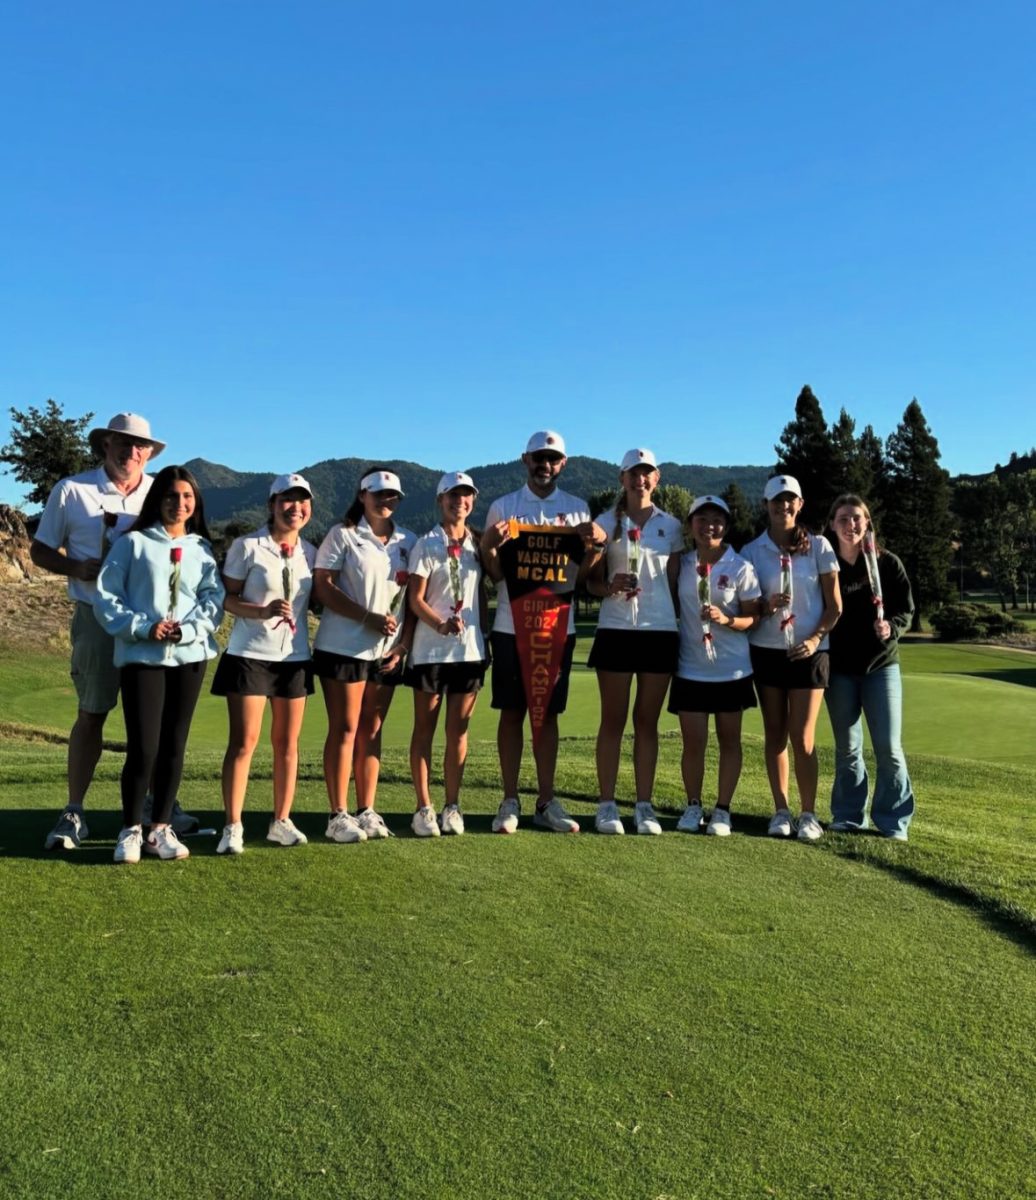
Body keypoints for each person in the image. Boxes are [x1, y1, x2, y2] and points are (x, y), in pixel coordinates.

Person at [29, 413, 198, 849]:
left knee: (156, 723)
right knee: (92, 712)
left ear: (150, 452)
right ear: (105, 445)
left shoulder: (159, 490)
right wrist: (73, 566)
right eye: (122, 443)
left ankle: (157, 806)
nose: (131, 451)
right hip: (97, 618)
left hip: (157, 627)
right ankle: (74, 810)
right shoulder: (72, 490)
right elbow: (39, 550)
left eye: (140, 445)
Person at [94, 466, 224, 863]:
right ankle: (131, 828)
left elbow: (212, 599)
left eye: (187, 497)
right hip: (142, 656)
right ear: (158, 500)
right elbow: (107, 597)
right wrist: (144, 628)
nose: (179, 503)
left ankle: (160, 828)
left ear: (195, 503)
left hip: (189, 658)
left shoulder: (202, 548)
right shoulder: (131, 544)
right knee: (144, 746)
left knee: (173, 745)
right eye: (171, 496)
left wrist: (187, 631)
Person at [480, 430, 606, 834]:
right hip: (510, 626)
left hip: (558, 628)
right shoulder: (503, 507)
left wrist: (596, 548)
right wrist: (489, 546)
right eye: (539, 457)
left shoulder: (576, 509)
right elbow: (495, 574)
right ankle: (510, 799)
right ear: (525, 459)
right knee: (512, 712)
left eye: (553, 458)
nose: (545, 465)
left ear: (563, 463)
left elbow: (582, 580)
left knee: (548, 714)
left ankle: (546, 800)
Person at [211, 474, 317, 855]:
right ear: (272, 505)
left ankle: (281, 820)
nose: (295, 507)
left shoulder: (312, 553)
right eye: (286, 500)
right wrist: (261, 610)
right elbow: (227, 598)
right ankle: (233, 825)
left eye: (302, 501)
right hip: (250, 655)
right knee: (244, 743)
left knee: (287, 745)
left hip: (295, 658)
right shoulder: (248, 546)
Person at [312, 467, 417, 843]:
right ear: (362, 496)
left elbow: (412, 603)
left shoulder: (409, 540)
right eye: (379, 495)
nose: (386, 501)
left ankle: (366, 808)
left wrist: (402, 645)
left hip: (387, 651)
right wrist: (367, 617)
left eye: (393, 496)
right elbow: (324, 588)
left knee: (372, 730)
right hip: (343, 646)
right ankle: (337, 813)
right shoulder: (342, 535)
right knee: (345, 727)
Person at [585, 449, 682, 835]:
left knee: (647, 722)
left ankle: (644, 806)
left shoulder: (672, 526)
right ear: (622, 479)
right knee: (613, 720)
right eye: (633, 474)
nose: (639, 480)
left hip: (659, 632)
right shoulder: (604, 523)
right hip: (616, 629)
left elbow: (674, 583)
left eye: (647, 474)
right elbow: (589, 582)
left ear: (656, 478)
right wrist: (609, 587)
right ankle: (606, 804)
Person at [743, 475, 841, 841]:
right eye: (776, 501)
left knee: (802, 738)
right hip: (767, 651)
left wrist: (816, 639)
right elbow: (748, 608)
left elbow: (835, 607)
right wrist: (766, 607)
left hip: (810, 653)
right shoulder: (752, 553)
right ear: (766, 505)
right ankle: (781, 811)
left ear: (800, 505)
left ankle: (809, 814)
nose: (783, 506)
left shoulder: (819, 546)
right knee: (775, 735)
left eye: (790, 500)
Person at [666, 495, 762, 835]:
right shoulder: (681, 563)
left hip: (732, 669)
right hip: (691, 668)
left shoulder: (740, 567)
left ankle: (722, 809)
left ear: (726, 525)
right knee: (693, 743)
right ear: (690, 525)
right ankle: (693, 806)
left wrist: (727, 619)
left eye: (717, 520)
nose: (710, 526)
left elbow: (754, 618)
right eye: (702, 519)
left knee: (729, 741)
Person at [824, 494, 915, 841]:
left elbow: (906, 610)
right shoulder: (825, 563)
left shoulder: (886, 563)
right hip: (840, 670)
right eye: (844, 518)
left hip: (881, 666)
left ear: (867, 522)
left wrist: (891, 626)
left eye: (857, 518)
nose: (851, 525)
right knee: (848, 748)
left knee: (888, 748)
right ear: (832, 524)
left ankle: (893, 822)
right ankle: (848, 816)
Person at [406, 472, 489, 837]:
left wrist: (485, 639)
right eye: (453, 496)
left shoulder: (479, 544)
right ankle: (424, 807)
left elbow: (481, 597)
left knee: (458, 732)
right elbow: (416, 599)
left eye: (466, 496)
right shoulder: (426, 544)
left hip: (469, 651)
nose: (460, 502)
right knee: (425, 730)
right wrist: (440, 624)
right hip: (431, 651)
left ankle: (452, 806)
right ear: (440, 500)